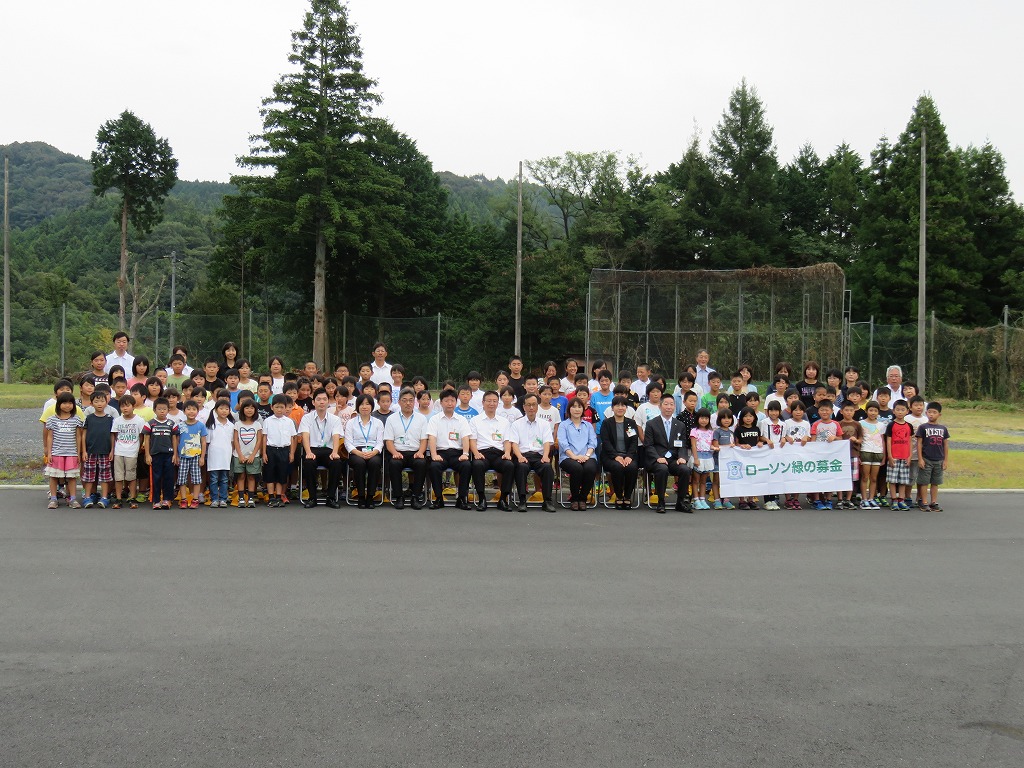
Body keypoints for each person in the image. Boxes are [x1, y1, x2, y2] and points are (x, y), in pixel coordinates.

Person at [505, 393, 556, 513]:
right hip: (523, 455)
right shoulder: (517, 424)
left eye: (533, 405)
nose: (531, 408)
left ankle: (547, 501)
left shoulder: (544, 424)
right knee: (521, 467)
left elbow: (547, 442)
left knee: (547, 468)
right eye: (528, 405)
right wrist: (519, 456)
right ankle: (522, 501)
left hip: (539, 456)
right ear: (524, 407)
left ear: (537, 407)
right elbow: (514, 444)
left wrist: (545, 456)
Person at [469, 390, 515, 511]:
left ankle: (503, 499)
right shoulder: (475, 420)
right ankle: (482, 498)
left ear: (498, 403)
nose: (491, 404)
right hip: (482, 453)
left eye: (494, 401)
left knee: (509, 465)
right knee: (477, 465)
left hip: (498, 454)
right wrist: (476, 453)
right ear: (483, 403)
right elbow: (472, 440)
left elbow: (507, 441)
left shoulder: (504, 422)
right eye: (489, 401)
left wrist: (507, 453)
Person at [426, 389, 473, 509]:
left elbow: (465, 437)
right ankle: (438, 498)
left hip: (457, 453)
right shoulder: (434, 419)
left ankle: (462, 498)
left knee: (466, 465)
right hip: (440, 452)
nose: (449, 403)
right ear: (441, 403)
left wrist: (465, 453)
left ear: (456, 402)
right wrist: (434, 455)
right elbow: (432, 438)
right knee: (434, 466)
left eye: (452, 401)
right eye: (446, 401)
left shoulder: (461, 420)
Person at [384, 387, 429, 510]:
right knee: (394, 463)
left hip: (415, 452)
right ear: (399, 402)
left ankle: (415, 496)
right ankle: (399, 497)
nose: (408, 403)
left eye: (410, 400)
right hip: (398, 451)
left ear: (415, 402)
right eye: (404, 400)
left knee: (422, 463)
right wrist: (394, 452)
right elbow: (389, 441)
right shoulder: (391, 419)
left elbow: (424, 440)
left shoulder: (421, 419)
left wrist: (420, 452)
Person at [646, 395, 693, 513]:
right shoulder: (651, 424)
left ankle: (681, 502)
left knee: (685, 469)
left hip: (673, 459)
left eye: (671, 404)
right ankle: (661, 501)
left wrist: (682, 457)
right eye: (666, 404)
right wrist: (657, 458)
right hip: (657, 459)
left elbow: (682, 445)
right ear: (660, 406)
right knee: (662, 469)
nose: (669, 407)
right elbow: (648, 445)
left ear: (675, 407)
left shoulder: (680, 425)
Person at [299, 390, 344, 508]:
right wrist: (308, 452)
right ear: (313, 402)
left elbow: (336, 436)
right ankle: (312, 498)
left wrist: (335, 452)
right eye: (318, 399)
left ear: (328, 402)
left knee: (337, 463)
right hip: (312, 449)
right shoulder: (306, 418)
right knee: (308, 463)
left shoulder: (335, 419)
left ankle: (331, 498)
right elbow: (305, 436)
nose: (322, 402)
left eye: (324, 399)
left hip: (328, 450)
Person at [43, 392, 84, 509]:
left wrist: (78, 453)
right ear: (59, 404)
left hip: (71, 453)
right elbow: (50, 436)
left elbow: (78, 437)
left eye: (70, 403)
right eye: (64, 403)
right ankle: (54, 499)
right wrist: (49, 452)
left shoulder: (76, 419)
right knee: (54, 476)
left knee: (71, 477)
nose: (68, 405)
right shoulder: (52, 420)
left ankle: (72, 499)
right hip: (57, 453)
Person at [600, 396, 639, 510]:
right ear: (612, 408)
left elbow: (633, 441)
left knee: (632, 467)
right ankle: (618, 496)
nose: (620, 408)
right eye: (617, 405)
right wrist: (615, 456)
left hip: (628, 456)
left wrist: (629, 456)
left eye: (623, 405)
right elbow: (606, 442)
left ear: (626, 408)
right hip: (611, 457)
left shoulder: (630, 423)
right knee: (617, 467)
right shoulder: (607, 423)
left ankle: (627, 496)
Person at [345, 394, 385, 508]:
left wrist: (374, 452)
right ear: (357, 406)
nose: (364, 407)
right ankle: (361, 496)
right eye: (362, 404)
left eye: (367, 404)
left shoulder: (378, 423)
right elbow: (348, 443)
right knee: (359, 463)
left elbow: (380, 442)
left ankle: (370, 496)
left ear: (372, 406)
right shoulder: (351, 423)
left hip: (373, 451)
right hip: (356, 451)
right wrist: (358, 453)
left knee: (375, 463)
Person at [143, 397, 180, 510]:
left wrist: (175, 454)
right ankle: (156, 500)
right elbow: (147, 439)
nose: (162, 411)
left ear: (168, 410)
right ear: (154, 410)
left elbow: (174, 439)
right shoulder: (150, 424)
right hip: (155, 455)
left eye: (164, 409)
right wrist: (148, 455)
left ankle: (167, 499)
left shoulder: (171, 424)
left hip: (169, 455)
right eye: (159, 409)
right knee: (156, 478)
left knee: (169, 478)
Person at [110, 394, 145, 509]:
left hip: (132, 451)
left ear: (133, 406)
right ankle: (119, 498)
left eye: (127, 406)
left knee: (131, 476)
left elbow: (141, 436)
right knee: (119, 476)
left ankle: (132, 497)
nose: (125, 408)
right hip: (119, 451)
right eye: (122, 406)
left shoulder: (139, 420)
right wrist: (112, 450)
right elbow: (114, 436)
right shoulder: (117, 420)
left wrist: (139, 448)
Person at [81, 391, 115, 508]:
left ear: (106, 402)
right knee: (89, 475)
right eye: (96, 401)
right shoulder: (89, 418)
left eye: (102, 401)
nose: (99, 404)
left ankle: (105, 497)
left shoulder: (110, 419)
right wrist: (84, 451)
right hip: (90, 451)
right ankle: (87, 497)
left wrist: (112, 451)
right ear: (91, 403)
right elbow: (84, 435)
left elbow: (112, 436)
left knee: (105, 476)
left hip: (105, 451)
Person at [262, 394, 297, 508]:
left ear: (286, 407)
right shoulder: (267, 421)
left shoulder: (289, 421)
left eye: (282, 407)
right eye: (277, 407)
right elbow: (264, 437)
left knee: (281, 474)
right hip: (271, 449)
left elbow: (292, 438)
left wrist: (291, 453)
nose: (279, 409)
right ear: (272, 407)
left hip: (284, 450)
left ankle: (278, 496)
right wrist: (264, 453)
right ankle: (271, 497)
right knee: (270, 474)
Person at [916, 402, 949, 512]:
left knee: (935, 482)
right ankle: (924, 502)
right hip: (926, 458)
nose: (931, 414)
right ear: (926, 413)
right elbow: (919, 443)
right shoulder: (923, 427)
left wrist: (945, 460)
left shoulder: (943, 428)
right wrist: (920, 458)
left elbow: (945, 444)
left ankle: (934, 502)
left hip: (938, 459)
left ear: (939, 414)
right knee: (924, 481)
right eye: (929, 412)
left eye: (934, 412)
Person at [176, 400, 208, 509]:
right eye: (188, 409)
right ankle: (184, 499)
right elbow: (177, 440)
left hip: (196, 456)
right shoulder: (180, 425)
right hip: (183, 456)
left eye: (194, 409)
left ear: (197, 411)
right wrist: (176, 455)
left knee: (197, 479)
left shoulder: (201, 425)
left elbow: (203, 442)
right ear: (184, 411)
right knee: (182, 479)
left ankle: (195, 499)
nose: (191, 412)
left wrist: (202, 456)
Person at [233, 399, 264, 507]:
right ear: (242, 410)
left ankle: (250, 498)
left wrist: (253, 455)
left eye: (252, 408)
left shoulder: (257, 425)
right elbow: (235, 440)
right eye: (247, 408)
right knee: (241, 476)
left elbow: (259, 440)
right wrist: (240, 455)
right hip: (239, 455)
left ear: (255, 410)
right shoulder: (237, 424)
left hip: (253, 456)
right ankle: (241, 498)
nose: (249, 410)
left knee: (251, 476)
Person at [205, 399, 235, 508]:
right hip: (214, 455)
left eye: (226, 409)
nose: (224, 411)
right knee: (213, 478)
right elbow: (207, 442)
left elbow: (232, 441)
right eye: (221, 408)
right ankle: (214, 499)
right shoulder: (211, 424)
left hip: (226, 455)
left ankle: (223, 498)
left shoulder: (231, 425)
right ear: (216, 410)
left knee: (224, 478)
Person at [885, 399, 914, 511]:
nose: (900, 412)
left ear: (907, 411)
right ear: (893, 411)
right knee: (892, 480)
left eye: (903, 410)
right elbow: (888, 441)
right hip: (894, 456)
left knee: (903, 481)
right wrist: (890, 456)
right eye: (898, 410)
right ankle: (894, 500)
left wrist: (910, 455)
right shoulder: (891, 425)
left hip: (905, 456)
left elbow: (910, 441)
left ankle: (901, 499)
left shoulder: (909, 426)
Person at [858, 401, 886, 509]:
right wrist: (859, 454)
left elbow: (882, 440)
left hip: (877, 452)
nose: (873, 413)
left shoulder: (881, 425)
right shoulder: (861, 423)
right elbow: (860, 439)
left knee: (874, 478)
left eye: (875, 411)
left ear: (878, 412)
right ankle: (864, 499)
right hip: (866, 451)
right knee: (865, 477)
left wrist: (884, 455)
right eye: (871, 410)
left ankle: (871, 498)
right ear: (866, 411)